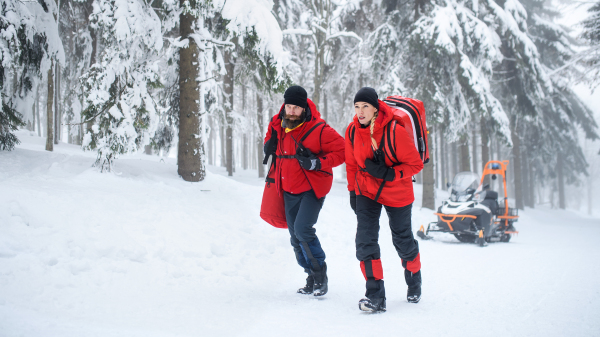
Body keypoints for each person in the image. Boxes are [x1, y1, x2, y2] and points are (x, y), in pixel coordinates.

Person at [345, 87, 424, 312]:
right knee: (365, 240)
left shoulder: (394, 131)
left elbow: (415, 164)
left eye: (365, 107)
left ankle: (414, 278)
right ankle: (375, 296)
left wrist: (390, 173)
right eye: (357, 107)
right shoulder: (351, 131)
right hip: (366, 190)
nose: (360, 112)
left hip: (397, 191)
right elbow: (351, 165)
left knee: (403, 241)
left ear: (375, 107)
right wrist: (352, 191)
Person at [263, 85, 345, 296]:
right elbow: (269, 141)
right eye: (288, 106)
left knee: (302, 230)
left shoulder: (318, 129)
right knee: (294, 237)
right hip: (287, 188)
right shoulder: (278, 124)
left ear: (304, 109)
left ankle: (320, 275)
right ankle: (310, 275)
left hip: (311, 189)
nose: (291, 111)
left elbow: (343, 150)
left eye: (295, 108)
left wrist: (317, 163)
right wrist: (268, 144)